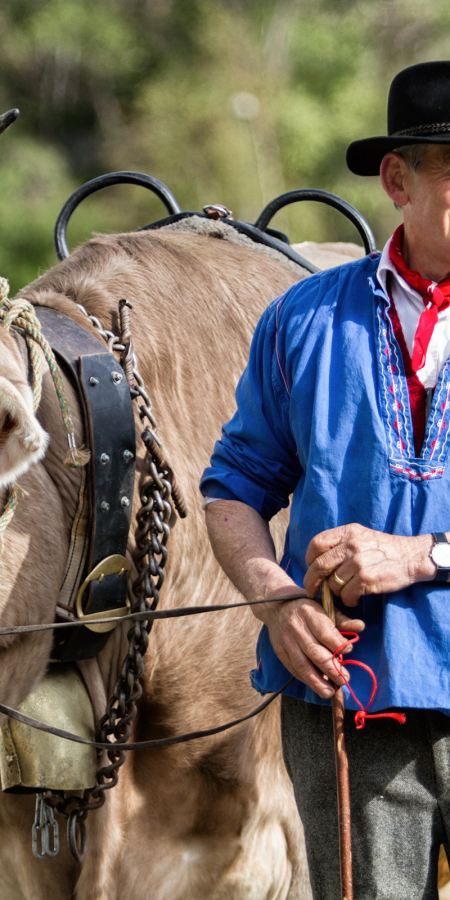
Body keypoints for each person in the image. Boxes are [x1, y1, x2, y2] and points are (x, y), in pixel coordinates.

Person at [200, 61, 450, 900]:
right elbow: (232, 487)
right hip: (351, 709)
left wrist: (423, 555)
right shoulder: (303, 320)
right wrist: (275, 602)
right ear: (396, 180)